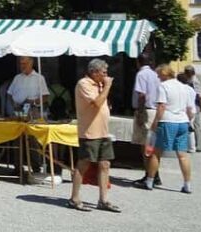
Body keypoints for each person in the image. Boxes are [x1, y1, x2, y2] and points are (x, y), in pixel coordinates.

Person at [68, 59, 119, 212]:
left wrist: (105, 86)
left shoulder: (99, 84)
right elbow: (96, 103)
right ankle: (74, 198)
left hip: (103, 131)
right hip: (89, 132)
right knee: (83, 164)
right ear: (94, 72)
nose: (106, 75)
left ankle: (103, 200)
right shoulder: (84, 84)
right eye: (104, 72)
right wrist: (108, 86)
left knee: (105, 164)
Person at [145, 64, 196, 194]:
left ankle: (150, 181)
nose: (157, 77)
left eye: (159, 75)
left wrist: (155, 122)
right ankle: (187, 184)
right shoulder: (184, 87)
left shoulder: (164, 86)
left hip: (168, 120)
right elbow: (190, 108)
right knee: (183, 155)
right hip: (183, 121)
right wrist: (189, 121)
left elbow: (161, 106)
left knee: (156, 153)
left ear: (164, 74)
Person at [131, 52, 161, 188]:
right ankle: (154, 173)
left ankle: (150, 175)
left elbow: (142, 95)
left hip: (146, 111)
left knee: (145, 146)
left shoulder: (141, 74)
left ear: (138, 62)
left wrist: (140, 113)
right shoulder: (156, 74)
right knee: (152, 145)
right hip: (155, 110)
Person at [184, 65, 201, 152]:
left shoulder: (194, 81)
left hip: (195, 105)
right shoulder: (190, 80)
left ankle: (199, 145)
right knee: (193, 125)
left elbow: (199, 95)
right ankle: (194, 144)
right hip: (192, 105)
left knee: (196, 125)